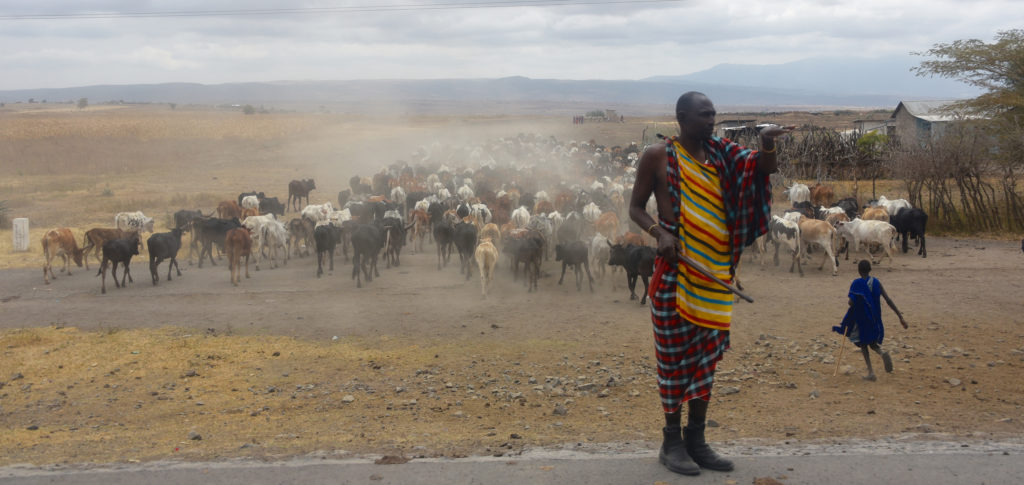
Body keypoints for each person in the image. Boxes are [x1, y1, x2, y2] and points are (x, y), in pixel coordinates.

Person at [629, 91, 791, 476]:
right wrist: (658, 234)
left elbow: (761, 170)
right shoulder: (658, 157)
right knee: (672, 362)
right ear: (681, 118)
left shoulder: (721, 153)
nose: (711, 121)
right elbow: (634, 207)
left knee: (705, 361)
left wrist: (767, 143)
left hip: (717, 275)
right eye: (704, 115)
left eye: (714, 115)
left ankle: (697, 440)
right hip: (676, 275)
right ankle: (671, 444)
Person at [833, 259, 908, 381]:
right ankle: (882, 353)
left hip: (862, 318)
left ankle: (871, 372)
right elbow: (888, 300)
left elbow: (851, 302)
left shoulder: (857, 283)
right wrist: (900, 317)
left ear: (858, 271)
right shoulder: (876, 282)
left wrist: (852, 302)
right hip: (875, 317)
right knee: (872, 342)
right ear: (870, 270)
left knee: (863, 343)